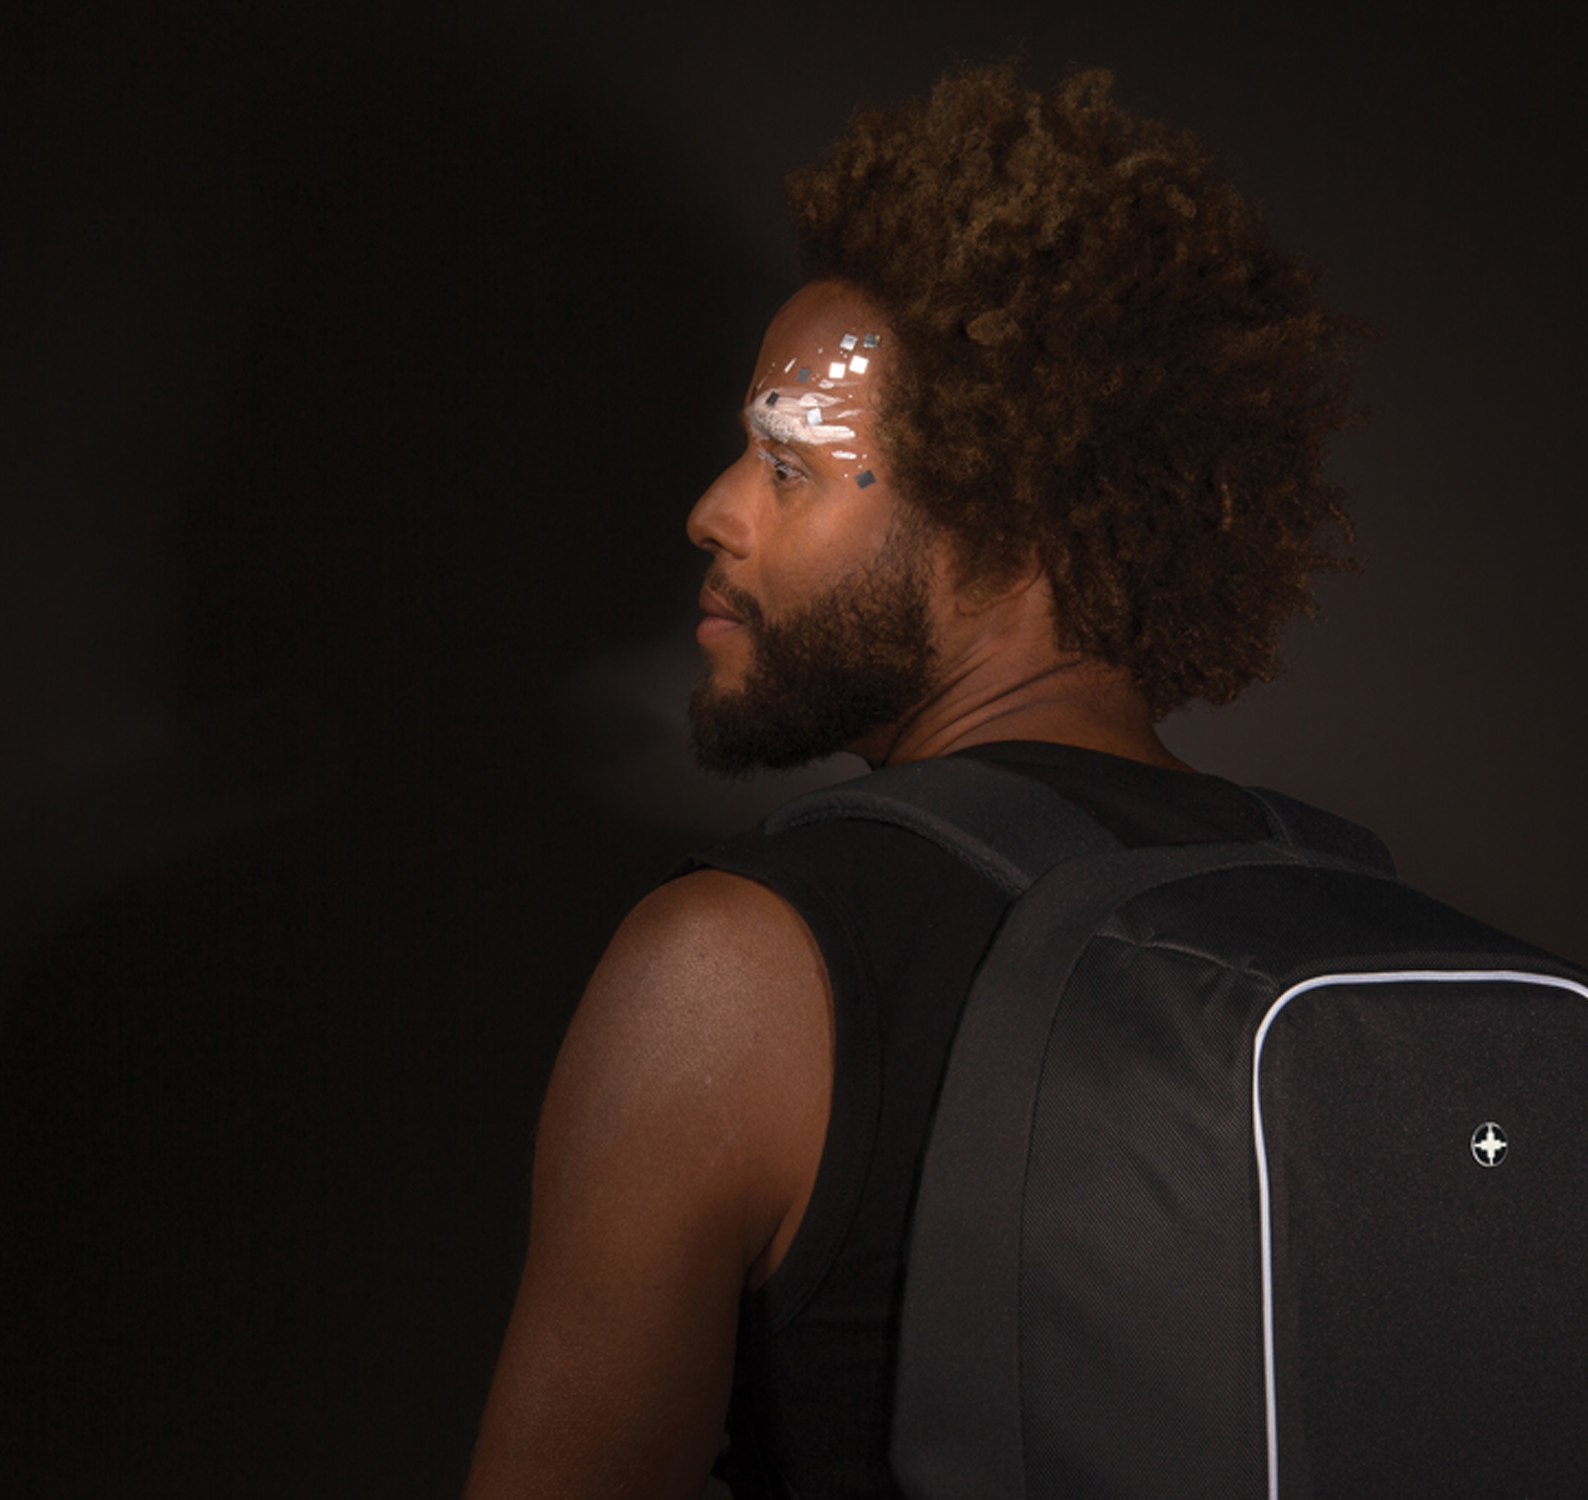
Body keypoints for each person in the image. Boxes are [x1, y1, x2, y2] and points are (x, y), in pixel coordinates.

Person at [466, 64, 1360, 1498]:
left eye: (789, 465)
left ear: (1009, 517)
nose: (712, 510)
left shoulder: (732, 968)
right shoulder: (1341, 906)